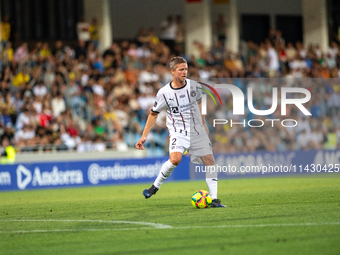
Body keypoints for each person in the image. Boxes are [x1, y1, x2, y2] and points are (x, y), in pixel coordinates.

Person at [135, 56, 226, 208]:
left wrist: (203, 124)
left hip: (196, 130)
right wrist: (144, 136)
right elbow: (153, 113)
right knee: (175, 159)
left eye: (186, 69)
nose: (184, 72)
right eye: (181, 70)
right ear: (172, 71)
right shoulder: (164, 93)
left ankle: (215, 199)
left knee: (209, 160)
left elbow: (199, 102)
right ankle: (155, 186)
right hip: (178, 132)